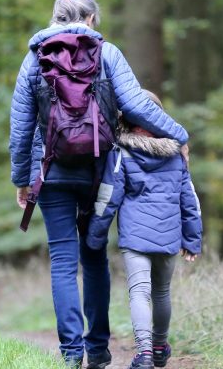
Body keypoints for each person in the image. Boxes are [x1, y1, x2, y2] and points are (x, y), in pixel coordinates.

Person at [9, 0, 189, 368]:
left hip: (52, 171)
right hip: (99, 171)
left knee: (62, 260)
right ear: (90, 19)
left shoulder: (34, 59)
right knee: (94, 258)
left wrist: (22, 179)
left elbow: (21, 127)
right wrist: (179, 135)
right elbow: (138, 105)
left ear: (55, 18)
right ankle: (98, 351)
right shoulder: (108, 53)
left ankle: (71, 355)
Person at [86, 91, 202, 369]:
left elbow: (108, 197)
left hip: (136, 238)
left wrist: (95, 235)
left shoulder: (121, 153)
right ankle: (160, 347)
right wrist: (192, 238)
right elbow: (190, 200)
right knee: (161, 292)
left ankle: (145, 353)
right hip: (169, 235)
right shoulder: (176, 154)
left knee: (140, 292)